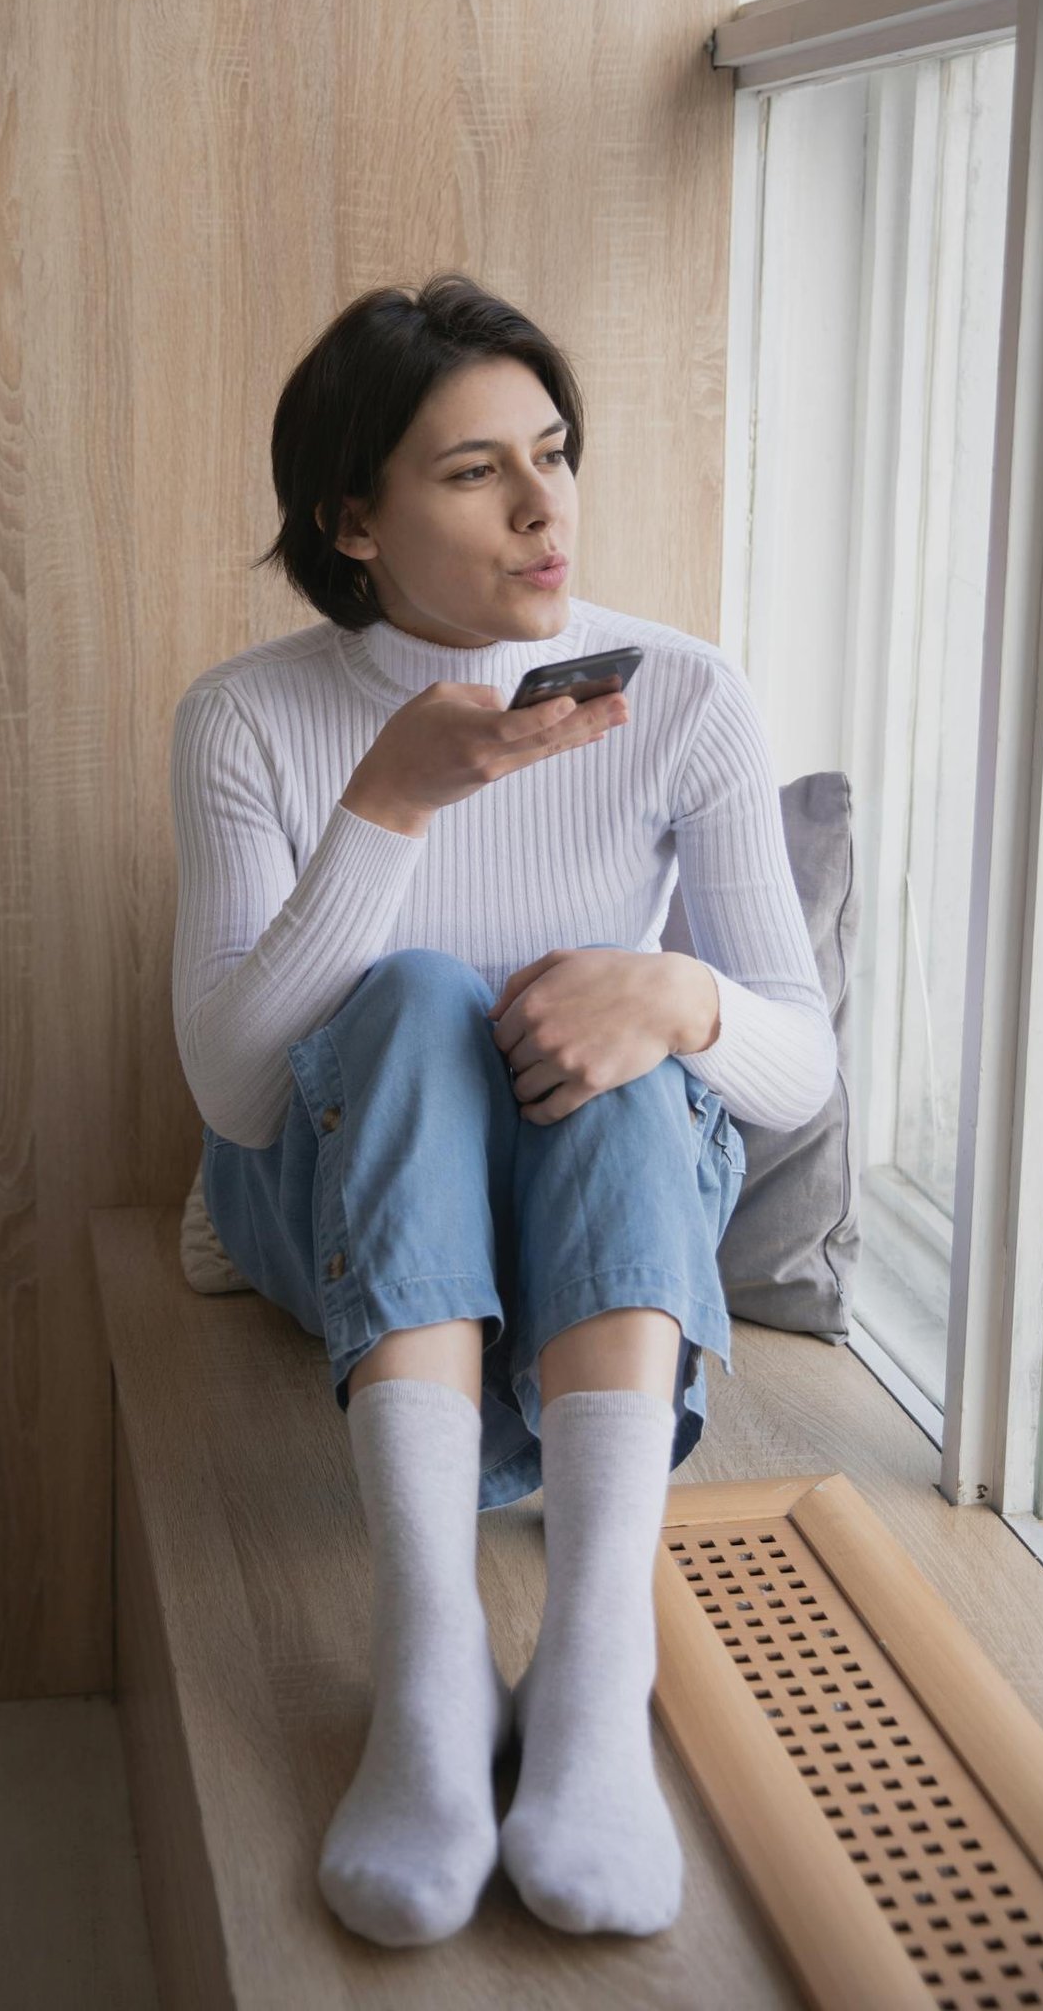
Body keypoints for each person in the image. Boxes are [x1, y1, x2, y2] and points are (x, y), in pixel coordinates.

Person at [169, 274, 836, 1949]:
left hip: (592, 1261)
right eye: (475, 473)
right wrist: (388, 807)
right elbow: (240, 1092)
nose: (546, 508)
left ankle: (597, 1666)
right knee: (412, 999)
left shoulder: (683, 695)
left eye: (553, 451)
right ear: (354, 517)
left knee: (612, 1015)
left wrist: (671, 996)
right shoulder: (251, 716)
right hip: (329, 1227)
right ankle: (430, 1658)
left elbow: (803, 1066)